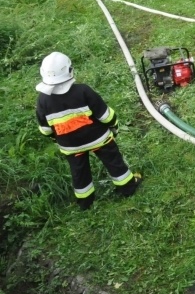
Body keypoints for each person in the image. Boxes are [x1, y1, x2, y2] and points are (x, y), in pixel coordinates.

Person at [35, 52, 142, 210]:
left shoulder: (43, 100)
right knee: (114, 161)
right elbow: (105, 115)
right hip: (99, 139)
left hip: (71, 147)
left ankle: (85, 202)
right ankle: (127, 187)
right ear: (69, 70)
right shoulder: (83, 91)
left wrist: (56, 139)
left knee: (79, 172)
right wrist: (115, 125)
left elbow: (45, 129)